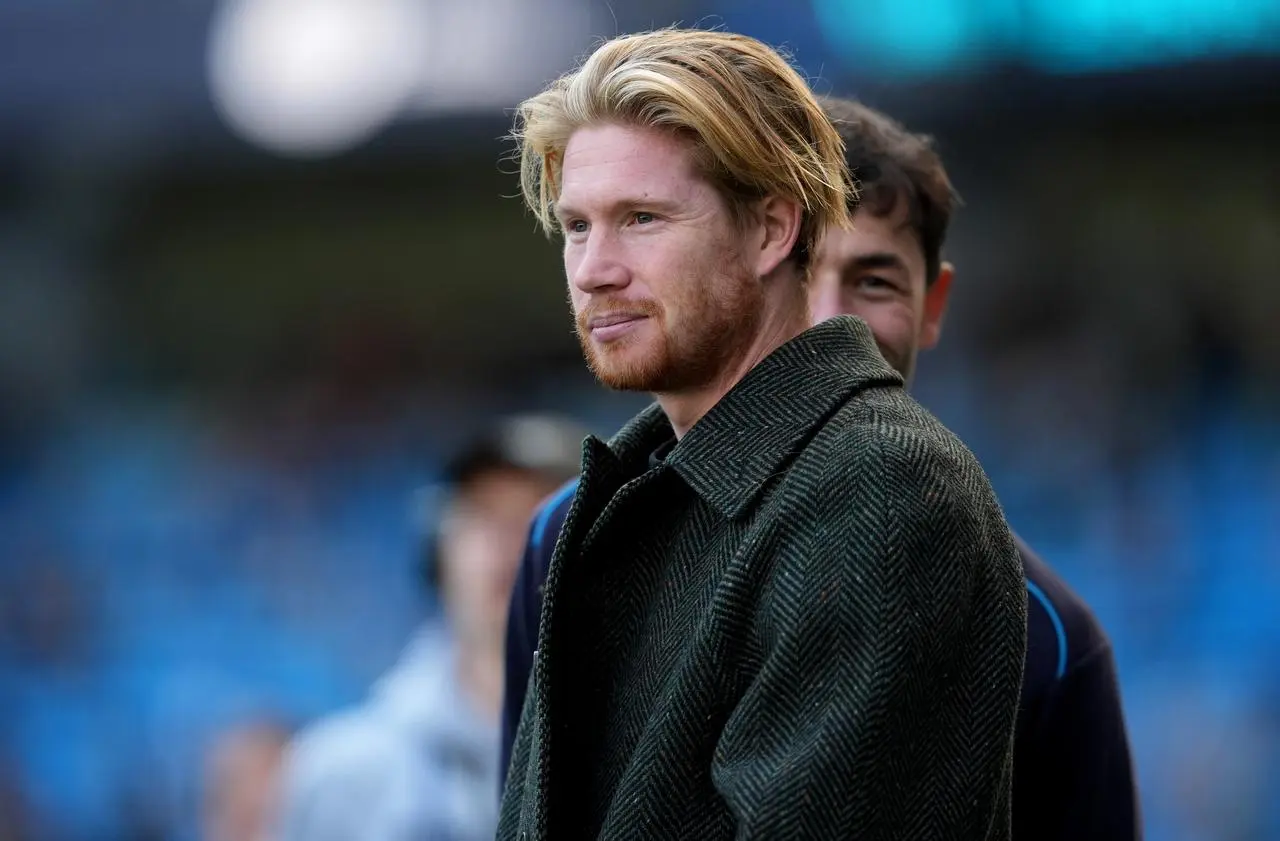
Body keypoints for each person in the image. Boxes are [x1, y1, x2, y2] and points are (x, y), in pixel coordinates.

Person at [502, 95, 1143, 841]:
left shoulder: (940, 537)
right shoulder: (573, 533)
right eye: (576, 226)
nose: (827, 315)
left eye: (871, 281)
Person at [273, 414, 584, 841]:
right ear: (438, 553)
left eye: (542, 514)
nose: (508, 541)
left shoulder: (648, 761)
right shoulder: (341, 776)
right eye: (483, 514)